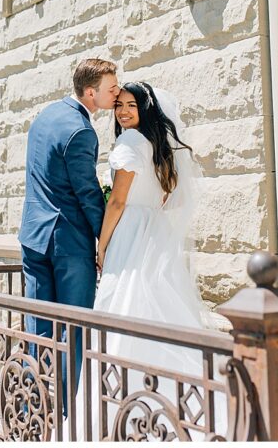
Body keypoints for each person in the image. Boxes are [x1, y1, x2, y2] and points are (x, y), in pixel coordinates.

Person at [81, 81, 222, 438]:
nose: (124, 111)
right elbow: (162, 197)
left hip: (130, 231)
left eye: (132, 105)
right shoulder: (157, 147)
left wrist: (103, 244)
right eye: (119, 105)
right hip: (152, 232)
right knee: (154, 303)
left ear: (146, 110)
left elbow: (117, 202)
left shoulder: (129, 142)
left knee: (124, 305)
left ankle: (122, 405)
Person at [19, 58, 120, 400]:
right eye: (111, 88)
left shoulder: (45, 116)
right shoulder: (81, 131)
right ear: (91, 93)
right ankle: (67, 411)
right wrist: (107, 237)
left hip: (32, 238)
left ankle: (31, 410)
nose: (116, 93)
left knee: (38, 326)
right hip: (68, 245)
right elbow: (88, 193)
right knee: (73, 328)